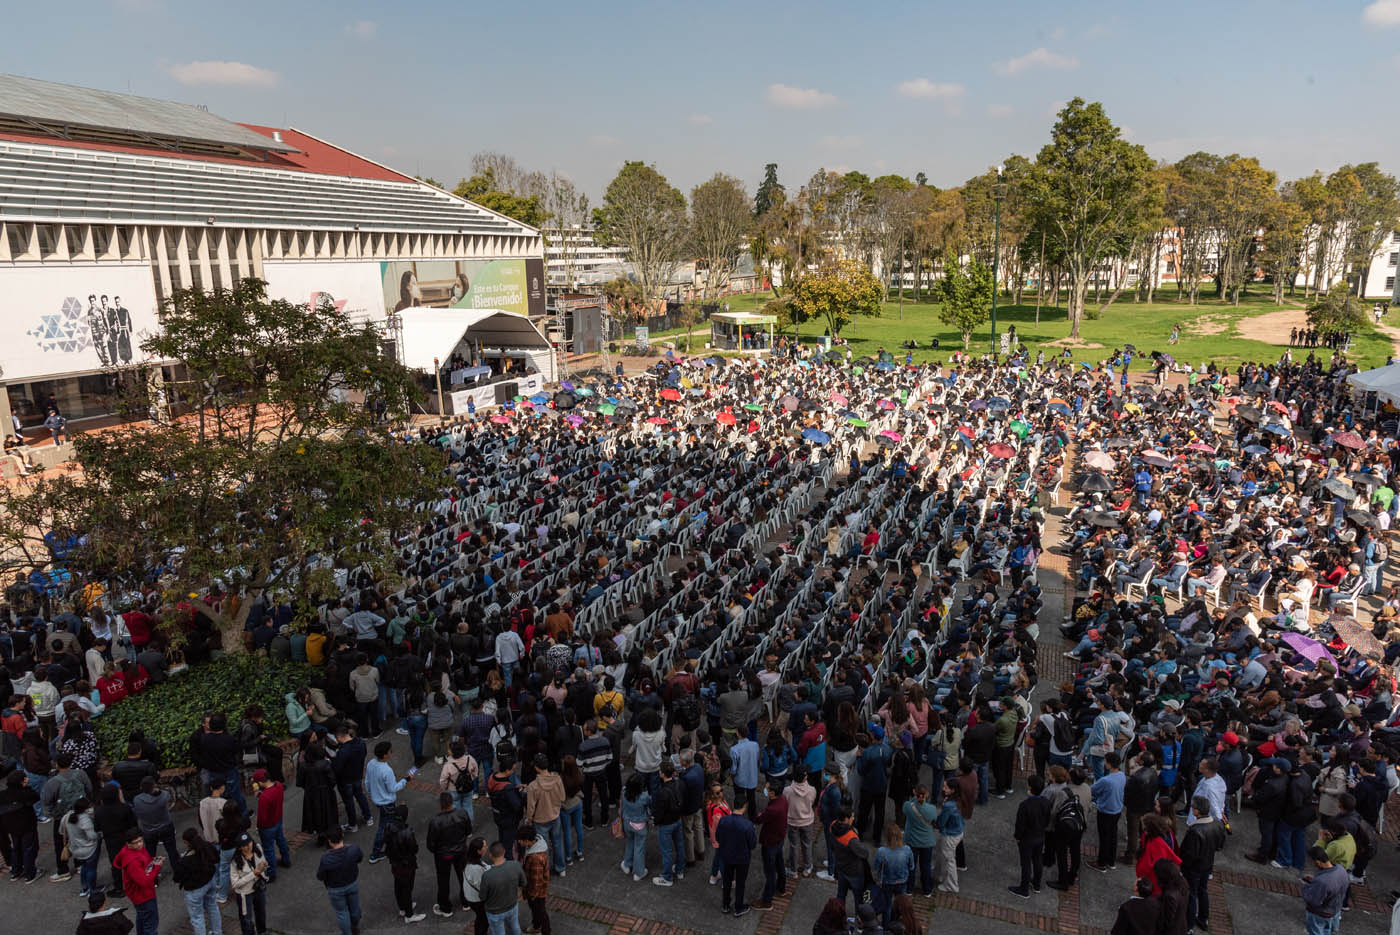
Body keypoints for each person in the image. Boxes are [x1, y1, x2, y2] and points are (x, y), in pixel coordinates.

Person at [1177, 796, 1223, 932]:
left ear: (1197, 811)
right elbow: (1220, 845)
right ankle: (1203, 919)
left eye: (1193, 808)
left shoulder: (1195, 830)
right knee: (1203, 891)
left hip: (1193, 869)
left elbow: (1189, 854)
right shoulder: (1217, 824)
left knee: (1191, 895)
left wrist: (1183, 866)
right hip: (1207, 865)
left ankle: (1189, 926)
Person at [426, 791, 472, 917]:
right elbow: (468, 831)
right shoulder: (462, 814)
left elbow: (430, 844)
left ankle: (445, 908)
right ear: (452, 801)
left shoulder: (436, 821)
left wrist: (438, 851)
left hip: (444, 855)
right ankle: (466, 901)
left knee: (443, 880)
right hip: (461, 851)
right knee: (463, 876)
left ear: (440, 804)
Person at [382, 804, 427, 923]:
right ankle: (409, 915)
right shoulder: (407, 832)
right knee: (407, 888)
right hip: (406, 864)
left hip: (395, 863)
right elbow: (414, 849)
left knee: (398, 885)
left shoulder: (388, 827)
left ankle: (402, 907)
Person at [1008, 773, 1050, 899]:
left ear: (1030, 788)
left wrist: (1018, 837)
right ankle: (1036, 884)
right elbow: (1047, 819)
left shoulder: (1025, 805)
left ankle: (1023, 889)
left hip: (1027, 838)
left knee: (1025, 863)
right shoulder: (1046, 802)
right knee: (1037, 860)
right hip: (1040, 835)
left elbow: (1020, 825)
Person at [112, 829, 162, 935]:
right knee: (151, 924)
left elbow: (145, 863)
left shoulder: (131, 851)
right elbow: (143, 881)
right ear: (128, 844)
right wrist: (156, 867)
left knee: (143, 919)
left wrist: (153, 862)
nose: (140, 844)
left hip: (138, 895)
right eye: (136, 842)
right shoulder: (132, 862)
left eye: (141, 841)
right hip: (143, 895)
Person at [366, 741, 409, 863]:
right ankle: (375, 853)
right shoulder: (387, 770)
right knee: (384, 827)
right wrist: (404, 781)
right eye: (390, 751)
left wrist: (372, 794)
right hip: (387, 803)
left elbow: (367, 782)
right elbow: (393, 788)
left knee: (387, 824)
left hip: (378, 800)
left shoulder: (371, 763)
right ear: (385, 755)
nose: (391, 752)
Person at [171, 828, 220, 935]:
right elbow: (216, 858)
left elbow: (177, 878)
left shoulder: (185, 861)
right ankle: (217, 932)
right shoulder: (207, 847)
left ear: (186, 842)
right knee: (212, 907)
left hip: (195, 890)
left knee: (197, 917)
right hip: (210, 882)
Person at [315, 827, 363, 935]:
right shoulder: (354, 849)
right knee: (355, 909)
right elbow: (359, 858)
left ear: (330, 841)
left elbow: (320, 876)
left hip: (335, 889)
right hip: (352, 884)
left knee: (342, 913)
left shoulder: (326, 859)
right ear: (342, 836)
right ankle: (354, 926)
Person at [715, 796, 757, 917]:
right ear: (744, 806)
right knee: (740, 882)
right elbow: (752, 844)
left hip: (727, 856)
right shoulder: (747, 825)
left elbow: (718, 838)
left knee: (727, 881)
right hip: (742, 859)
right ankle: (738, 907)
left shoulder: (723, 821)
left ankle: (725, 905)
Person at [752, 777, 788, 909]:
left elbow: (759, 819)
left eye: (767, 788)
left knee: (770, 872)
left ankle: (767, 900)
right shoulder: (783, 800)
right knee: (779, 864)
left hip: (770, 841)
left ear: (773, 793)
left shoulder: (773, 809)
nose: (765, 790)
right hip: (779, 838)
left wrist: (758, 815)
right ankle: (781, 888)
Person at [0, 769, 41, 882]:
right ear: (21, 781)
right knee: (29, 849)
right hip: (27, 826)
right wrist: (26, 787)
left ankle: (16, 871)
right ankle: (30, 874)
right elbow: (36, 796)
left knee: (16, 848)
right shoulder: (25, 793)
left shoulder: (3, 794)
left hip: (11, 827)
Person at [479, 840, 527, 935]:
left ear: (490, 855)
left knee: (498, 932)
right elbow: (523, 883)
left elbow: (482, 897)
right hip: (512, 905)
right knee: (515, 927)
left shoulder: (487, 876)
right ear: (504, 852)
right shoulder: (515, 865)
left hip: (495, 912)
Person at [251, 770, 291, 882]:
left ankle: (271, 872)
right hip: (278, 819)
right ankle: (286, 860)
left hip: (267, 827)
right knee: (281, 840)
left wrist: (259, 827)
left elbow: (262, 817)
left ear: (260, 782)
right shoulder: (278, 786)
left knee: (268, 849)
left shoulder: (264, 797)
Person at [651, 760, 685, 886]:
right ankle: (680, 869)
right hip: (677, 820)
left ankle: (667, 877)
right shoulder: (678, 784)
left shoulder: (662, 792)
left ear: (663, 774)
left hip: (666, 824)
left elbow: (659, 812)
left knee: (667, 851)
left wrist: (656, 821)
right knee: (679, 846)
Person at [1089, 752, 1125, 872]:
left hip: (1105, 811)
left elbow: (1092, 790)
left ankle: (1101, 863)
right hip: (1117, 809)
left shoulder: (1106, 780)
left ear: (1109, 764)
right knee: (1113, 835)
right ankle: (1111, 860)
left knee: (1104, 837)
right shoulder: (1122, 775)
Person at [1301, 845, 1348, 935]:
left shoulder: (1322, 882)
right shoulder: (1341, 869)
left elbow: (1314, 901)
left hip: (1320, 914)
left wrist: (1305, 886)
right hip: (1335, 910)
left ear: (1318, 862)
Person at [228, 832, 269, 935]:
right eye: (244, 845)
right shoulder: (235, 862)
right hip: (245, 894)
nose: (248, 847)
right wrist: (253, 874)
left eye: (249, 843)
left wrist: (264, 866)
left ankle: (262, 932)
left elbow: (263, 861)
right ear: (239, 848)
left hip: (259, 888)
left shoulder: (258, 848)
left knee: (261, 913)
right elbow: (235, 884)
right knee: (246, 919)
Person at [63, 796, 102, 899]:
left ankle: (84, 888)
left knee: (84, 867)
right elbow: (92, 836)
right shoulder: (85, 819)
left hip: (76, 849)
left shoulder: (68, 816)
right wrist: (98, 835)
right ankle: (92, 889)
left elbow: (62, 831)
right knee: (91, 869)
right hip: (89, 848)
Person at [518, 825, 552, 935]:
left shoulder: (535, 858)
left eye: (521, 840)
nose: (519, 842)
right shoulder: (535, 845)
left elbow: (536, 881)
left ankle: (545, 931)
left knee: (540, 912)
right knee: (537, 911)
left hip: (537, 892)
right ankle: (536, 926)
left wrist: (531, 895)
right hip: (536, 889)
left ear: (527, 841)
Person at [619, 774, 651, 881]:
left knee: (630, 843)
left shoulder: (624, 793)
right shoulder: (644, 796)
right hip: (640, 825)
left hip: (627, 823)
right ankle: (639, 872)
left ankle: (627, 864)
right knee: (639, 847)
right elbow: (650, 808)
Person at [934, 777, 963, 892]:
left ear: (953, 790)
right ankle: (942, 877)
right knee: (943, 855)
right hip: (957, 831)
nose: (943, 788)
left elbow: (941, 822)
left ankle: (951, 885)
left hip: (950, 835)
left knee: (949, 859)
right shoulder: (957, 800)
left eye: (946, 787)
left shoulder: (948, 805)